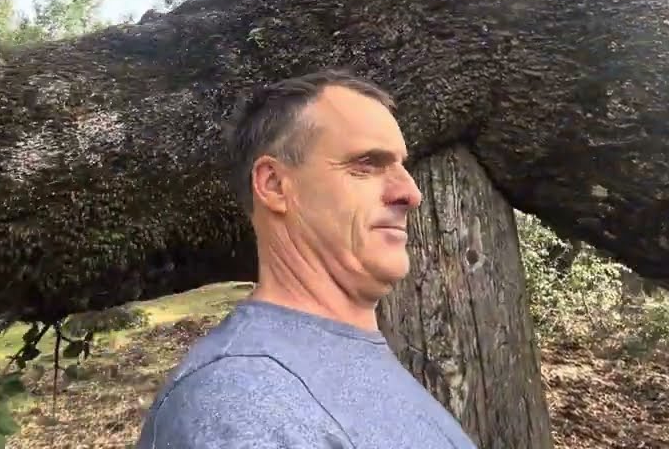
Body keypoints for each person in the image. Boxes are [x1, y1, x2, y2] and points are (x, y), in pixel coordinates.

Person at [133, 70, 479, 449]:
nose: (411, 193)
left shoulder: (339, 358)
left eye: (401, 166)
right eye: (366, 164)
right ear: (275, 185)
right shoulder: (241, 401)